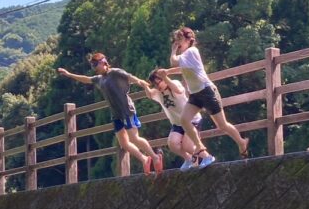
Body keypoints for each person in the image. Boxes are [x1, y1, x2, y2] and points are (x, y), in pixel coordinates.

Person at [57, 54, 164, 175]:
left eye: (95, 64)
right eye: (92, 65)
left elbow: (131, 77)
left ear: (103, 62)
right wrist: (69, 74)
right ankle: (144, 159)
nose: (94, 68)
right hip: (116, 115)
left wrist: (144, 84)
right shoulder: (99, 79)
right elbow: (86, 79)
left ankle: (155, 157)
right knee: (123, 143)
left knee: (134, 138)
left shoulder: (115, 73)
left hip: (126, 111)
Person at [158, 27, 250, 168]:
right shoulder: (187, 56)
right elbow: (181, 68)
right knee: (184, 120)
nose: (177, 42)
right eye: (176, 40)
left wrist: (173, 51)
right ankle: (200, 148)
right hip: (195, 94)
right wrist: (167, 73)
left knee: (222, 125)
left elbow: (174, 62)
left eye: (180, 39)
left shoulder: (192, 51)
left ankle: (241, 142)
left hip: (207, 92)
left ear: (189, 40)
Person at [146, 69, 202, 169]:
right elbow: (150, 95)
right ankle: (189, 159)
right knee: (172, 144)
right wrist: (144, 86)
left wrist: (165, 77)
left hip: (191, 119)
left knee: (187, 146)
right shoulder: (158, 93)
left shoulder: (174, 83)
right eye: (154, 85)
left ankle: (205, 156)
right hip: (177, 123)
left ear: (163, 79)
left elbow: (179, 90)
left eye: (158, 83)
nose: (157, 87)